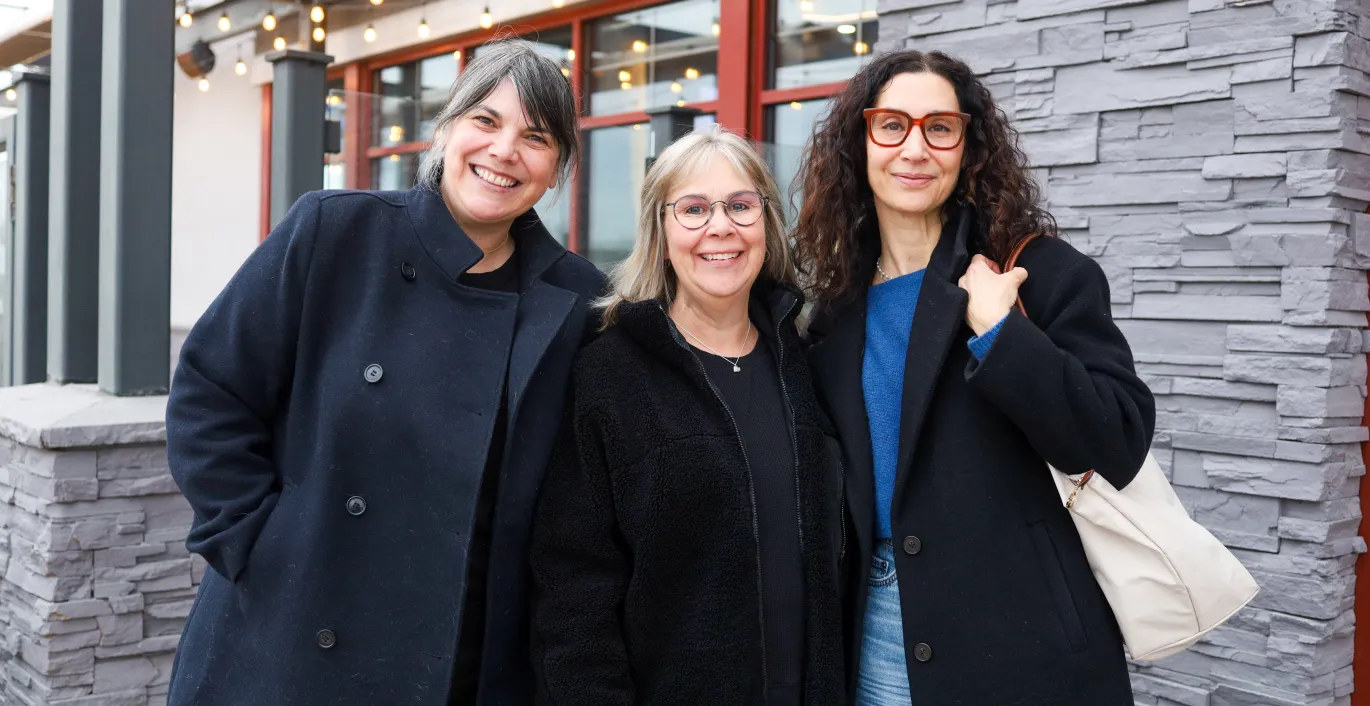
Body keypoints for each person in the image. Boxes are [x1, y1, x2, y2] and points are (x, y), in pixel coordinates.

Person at [164, 40, 604, 706]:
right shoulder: (336, 232)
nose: (505, 150)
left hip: (466, 651)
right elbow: (209, 391)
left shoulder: (576, 297)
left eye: (536, 137)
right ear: (447, 130)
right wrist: (255, 542)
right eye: (486, 121)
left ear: (557, 167)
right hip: (295, 630)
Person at [792, 50, 1156, 705]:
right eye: (892, 125)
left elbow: (1119, 440)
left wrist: (1002, 335)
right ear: (860, 142)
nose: (915, 148)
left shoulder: (1037, 277)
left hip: (1025, 635)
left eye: (940, 127)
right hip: (878, 634)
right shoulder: (833, 316)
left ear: (968, 147)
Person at [529, 129, 846, 705]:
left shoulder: (801, 359)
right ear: (662, 230)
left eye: (740, 205)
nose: (720, 227)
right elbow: (575, 586)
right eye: (694, 209)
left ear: (766, 223)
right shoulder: (611, 375)